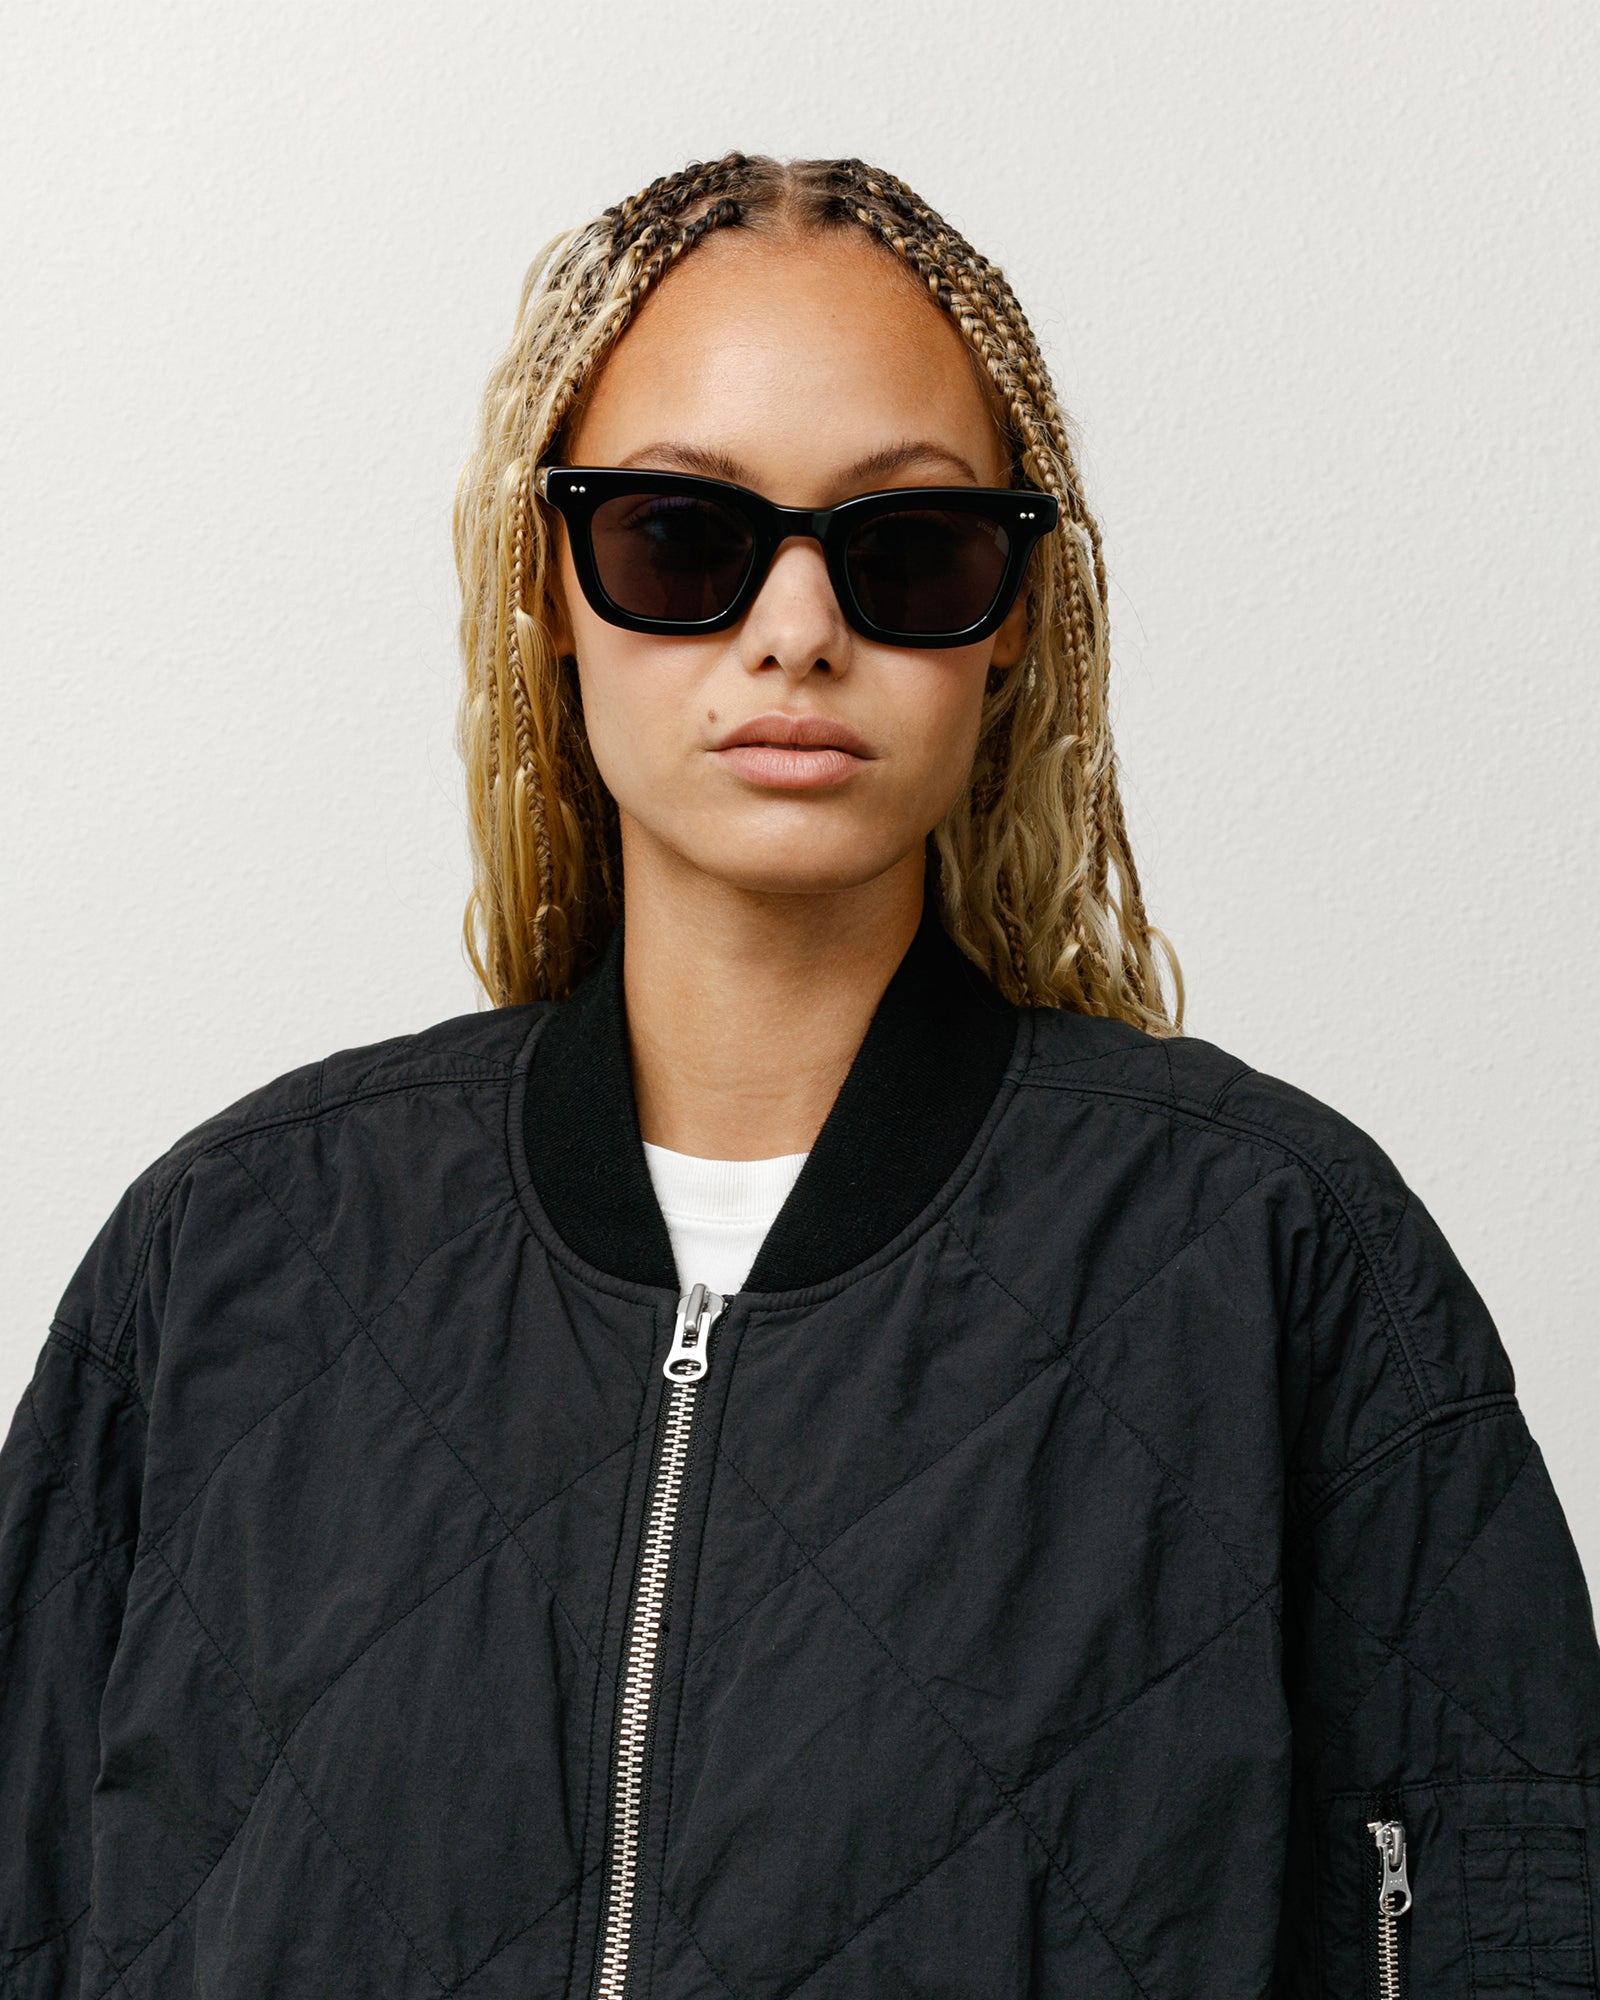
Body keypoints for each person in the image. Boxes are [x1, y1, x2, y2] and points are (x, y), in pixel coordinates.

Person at [2, 151, 1596, 2000]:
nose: (795, 629)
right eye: (680, 537)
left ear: (1014, 613)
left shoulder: (1278, 1256)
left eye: (907, 551)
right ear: (548, 584)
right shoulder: (235, 1252)